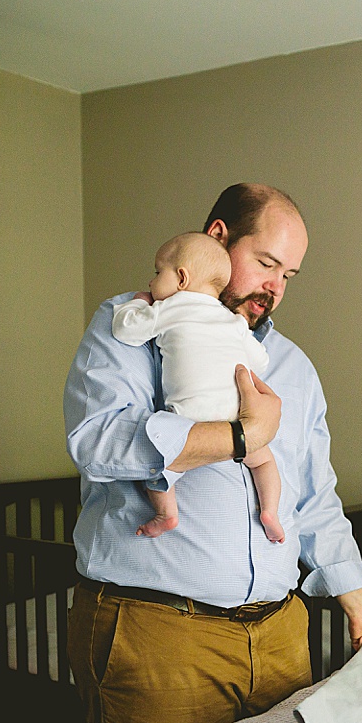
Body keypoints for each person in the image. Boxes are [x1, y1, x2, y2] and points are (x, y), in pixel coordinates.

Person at [63, 183, 362, 723]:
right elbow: (97, 444)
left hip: (281, 636)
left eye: (289, 275)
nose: (275, 287)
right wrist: (244, 437)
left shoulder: (291, 366)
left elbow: (314, 495)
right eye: (267, 263)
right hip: (161, 635)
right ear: (219, 237)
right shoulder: (134, 323)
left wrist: (357, 592)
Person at [112, 231, 285, 544]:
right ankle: (270, 511)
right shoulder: (233, 321)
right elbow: (260, 360)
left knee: (158, 468)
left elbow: (127, 330)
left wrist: (139, 303)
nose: (152, 282)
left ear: (181, 278)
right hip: (238, 418)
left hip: (190, 421)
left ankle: (167, 514)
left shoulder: (170, 309)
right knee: (264, 461)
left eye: (156, 273)